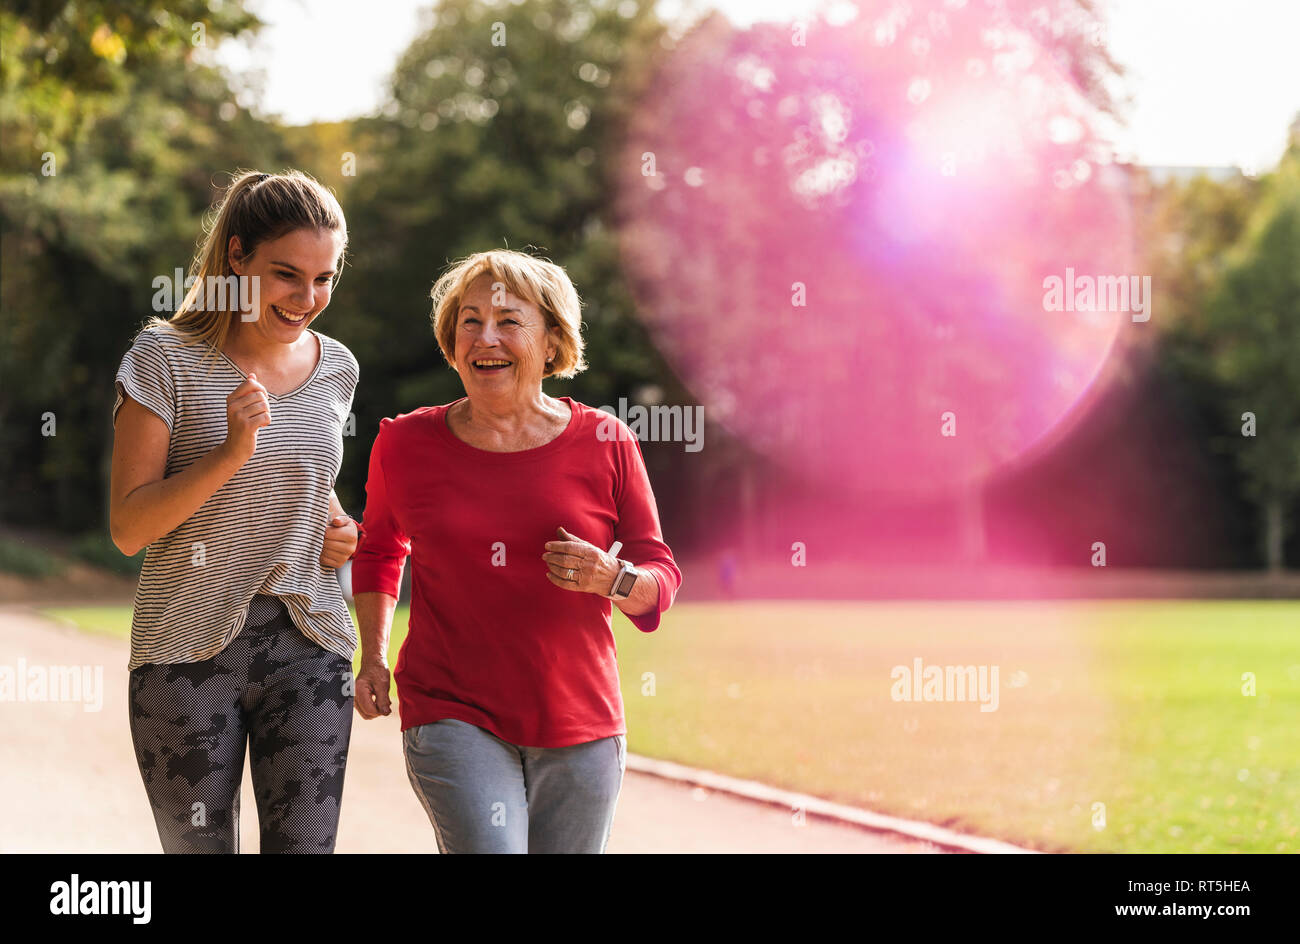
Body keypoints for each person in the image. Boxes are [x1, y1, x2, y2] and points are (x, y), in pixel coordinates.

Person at [351, 249, 681, 854]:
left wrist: (613, 578)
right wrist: (373, 655)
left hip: (580, 717)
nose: (486, 337)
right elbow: (378, 551)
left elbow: (659, 574)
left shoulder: (608, 441)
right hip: (451, 709)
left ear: (552, 340)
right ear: (452, 342)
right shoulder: (405, 443)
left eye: (508, 321)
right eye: (469, 320)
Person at [109, 169, 361, 853]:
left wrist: (340, 528)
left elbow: (308, 476)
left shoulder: (337, 367)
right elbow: (130, 527)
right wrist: (228, 452)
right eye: (287, 275)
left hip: (309, 645)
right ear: (236, 256)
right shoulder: (164, 358)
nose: (307, 298)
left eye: (324, 278)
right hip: (184, 655)